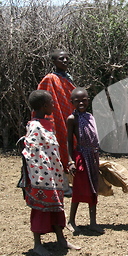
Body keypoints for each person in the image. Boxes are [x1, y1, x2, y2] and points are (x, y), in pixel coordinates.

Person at [21, 90, 80, 256]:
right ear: (44, 106)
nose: (54, 106)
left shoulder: (47, 124)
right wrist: (40, 175)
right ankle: (37, 244)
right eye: (52, 103)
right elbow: (32, 152)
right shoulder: (34, 126)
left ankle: (61, 238)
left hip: (53, 175)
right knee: (40, 207)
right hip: (41, 177)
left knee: (57, 206)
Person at [37, 49, 76, 197]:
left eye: (67, 58)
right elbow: (42, 100)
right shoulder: (49, 79)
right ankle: (63, 187)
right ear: (54, 62)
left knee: (70, 148)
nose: (65, 61)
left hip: (69, 118)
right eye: (61, 59)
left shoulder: (68, 78)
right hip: (55, 120)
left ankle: (67, 184)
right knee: (57, 151)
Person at [66, 87, 103, 234]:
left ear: (88, 100)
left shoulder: (90, 116)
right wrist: (70, 161)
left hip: (93, 157)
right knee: (79, 189)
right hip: (81, 156)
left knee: (93, 189)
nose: (81, 102)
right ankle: (71, 221)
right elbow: (69, 141)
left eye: (84, 100)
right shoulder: (72, 119)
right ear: (72, 102)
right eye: (77, 101)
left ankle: (93, 222)